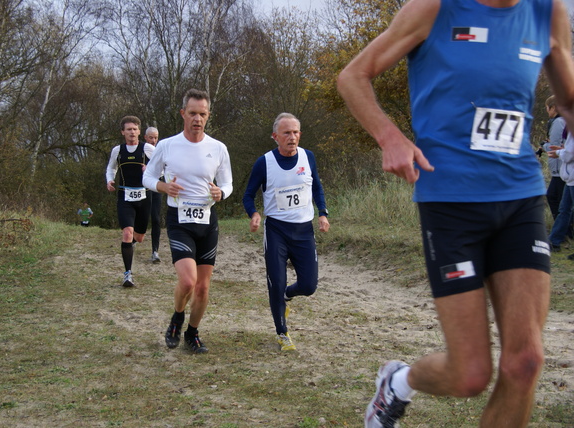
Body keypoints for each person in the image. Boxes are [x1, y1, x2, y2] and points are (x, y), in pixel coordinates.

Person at [337, 0, 574, 426]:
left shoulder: (547, 12)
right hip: (451, 204)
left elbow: (570, 99)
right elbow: (353, 75)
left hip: (520, 197)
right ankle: (399, 382)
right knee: (470, 374)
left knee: (526, 362)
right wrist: (389, 136)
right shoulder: (434, 8)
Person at [143, 89, 233, 354]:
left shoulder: (218, 148)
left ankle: (192, 333)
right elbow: (146, 178)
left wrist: (221, 193)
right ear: (183, 113)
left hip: (207, 221)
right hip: (179, 220)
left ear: (208, 116)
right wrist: (163, 186)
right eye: (192, 113)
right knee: (187, 282)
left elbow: (227, 183)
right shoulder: (167, 145)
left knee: (203, 288)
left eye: (202, 114)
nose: (197, 119)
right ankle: (177, 316)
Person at [242, 113, 330, 352]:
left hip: (304, 231)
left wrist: (323, 212)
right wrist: (254, 214)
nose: (292, 137)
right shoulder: (264, 162)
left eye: (296, 132)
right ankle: (282, 333)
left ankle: (288, 295)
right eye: (287, 133)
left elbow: (317, 187)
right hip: (277, 231)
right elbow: (248, 195)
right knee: (276, 281)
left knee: (309, 285)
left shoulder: (307, 157)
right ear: (275, 137)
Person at [106, 115, 154, 288]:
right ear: (123, 132)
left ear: (139, 131)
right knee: (127, 232)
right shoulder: (117, 150)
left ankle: (131, 245)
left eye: (134, 129)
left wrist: (150, 169)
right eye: (128, 129)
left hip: (144, 196)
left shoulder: (147, 148)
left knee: (138, 238)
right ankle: (127, 274)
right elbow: (111, 167)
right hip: (124, 196)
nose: (132, 132)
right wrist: (109, 180)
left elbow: (164, 167)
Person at [548, 130, 574, 253]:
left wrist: (559, 152)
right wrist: (562, 150)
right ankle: (554, 241)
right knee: (564, 210)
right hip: (570, 179)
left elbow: (570, 154)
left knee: (564, 210)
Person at [542, 95, 567, 219]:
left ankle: (563, 227)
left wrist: (544, 145)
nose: (547, 111)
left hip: (559, 169)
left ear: (553, 108)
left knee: (554, 197)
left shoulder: (558, 122)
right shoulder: (566, 120)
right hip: (564, 168)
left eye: (547, 107)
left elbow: (554, 146)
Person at [145, 126, 163, 263]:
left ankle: (155, 251)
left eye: (155, 137)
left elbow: (165, 169)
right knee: (141, 218)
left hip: (157, 187)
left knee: (156, 219)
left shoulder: (160, 151)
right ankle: (132, 240)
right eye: (151, 137)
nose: (153, 140)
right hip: (142, 188)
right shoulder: (141, 150)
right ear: (145, 137)